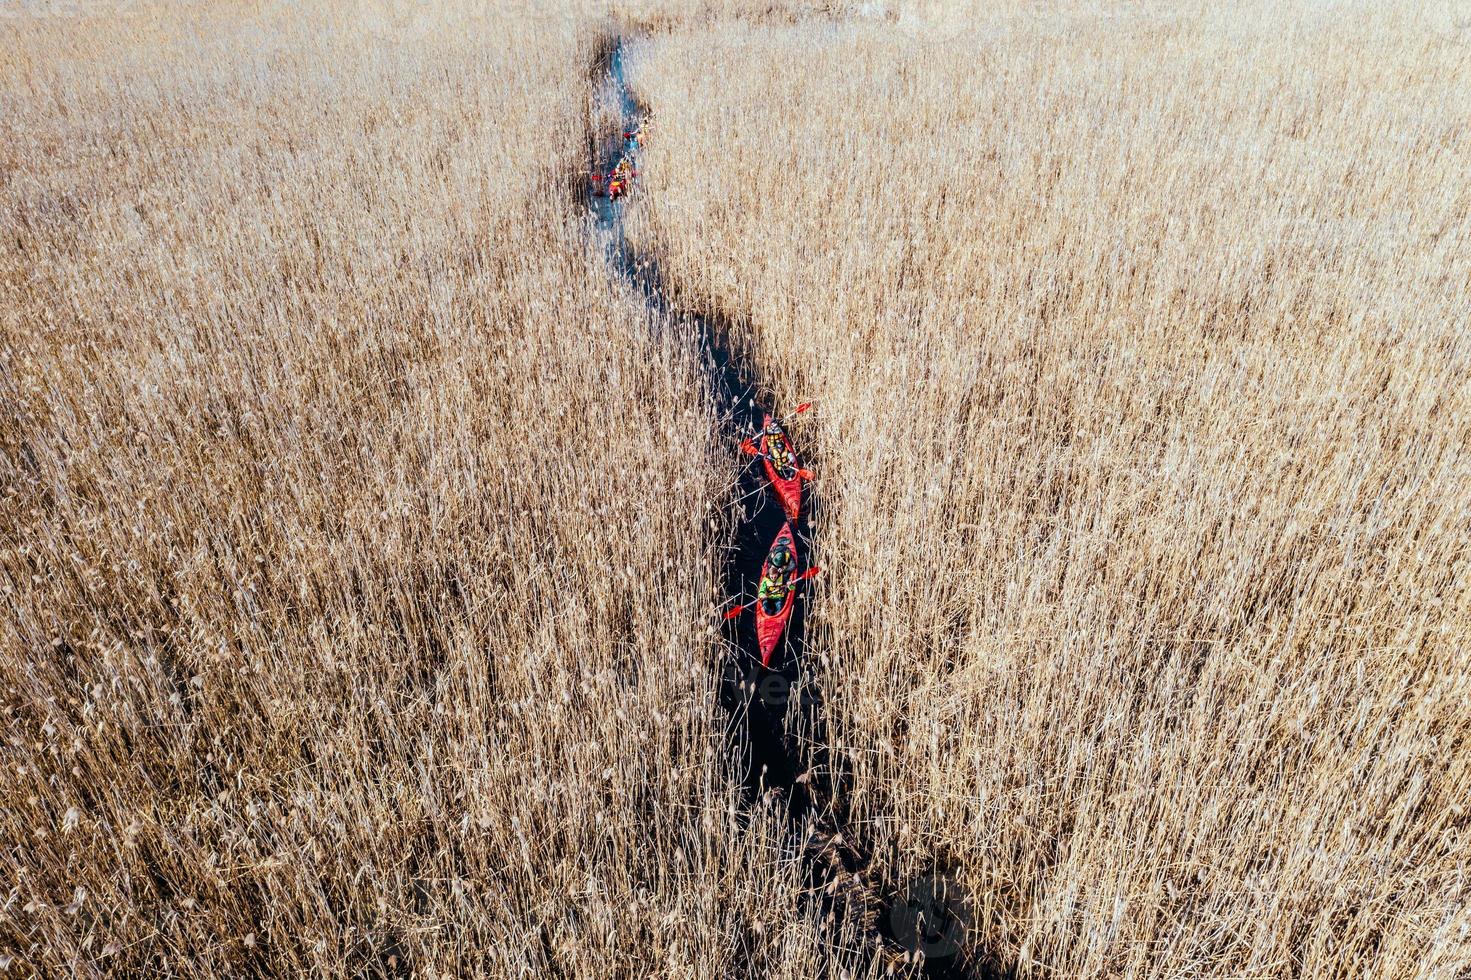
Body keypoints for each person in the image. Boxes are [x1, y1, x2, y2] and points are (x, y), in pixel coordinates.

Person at [758, 545, 796, 615]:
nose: (773, 578)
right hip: (768, 597)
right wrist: (762, 595)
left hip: (778, 598)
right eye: (772, 577)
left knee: (779, 607)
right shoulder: (765, 580)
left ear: (777, 574)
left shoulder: (782, 578)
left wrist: (790, 585)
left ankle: (777, 614)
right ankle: (768, 612)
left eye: (775, 577)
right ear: (769, 574)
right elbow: (761, 591)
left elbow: (793, 588)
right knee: (765, 605)